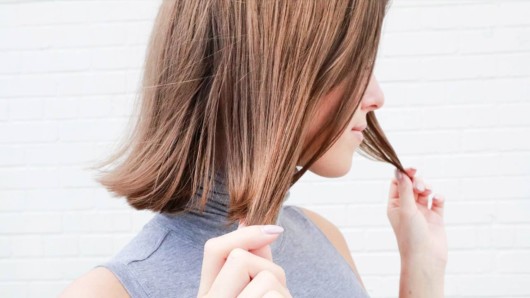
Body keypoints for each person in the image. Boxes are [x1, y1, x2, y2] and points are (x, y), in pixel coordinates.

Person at [60, 0, 447, 297]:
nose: (376, 97)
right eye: (353, 65)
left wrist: (422, 271)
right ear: (268, 70)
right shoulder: (107, 291)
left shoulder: (324, 237)